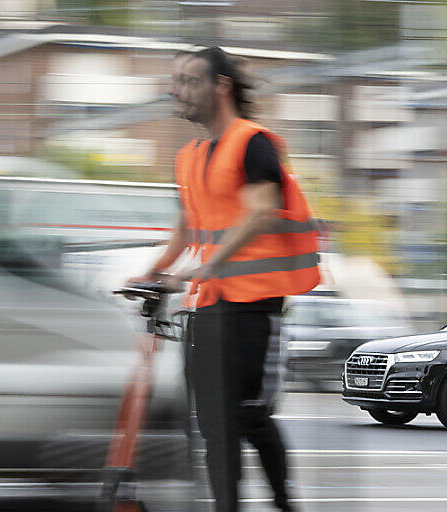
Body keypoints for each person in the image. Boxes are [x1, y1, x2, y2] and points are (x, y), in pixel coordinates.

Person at [128, 46, 320, 512]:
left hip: (255, 303)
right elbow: (188, 227)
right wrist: (154, 273)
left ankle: (283, 502)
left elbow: (261, 213)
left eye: (190, 81)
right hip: (209, 303)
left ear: (221, 86)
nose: (178, 91)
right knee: (213, 424)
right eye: (175, 81)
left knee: (244, 415)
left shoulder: (255, 142)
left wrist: (209, 265)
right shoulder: (189, 157)